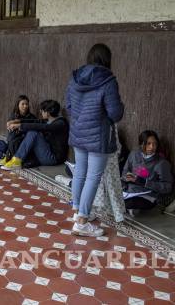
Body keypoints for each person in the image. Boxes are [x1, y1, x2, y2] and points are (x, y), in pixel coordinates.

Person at [65, 43, 124, 237]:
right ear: (107, 60)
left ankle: (78, 212)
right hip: (99, 135)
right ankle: (82, 222)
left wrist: (81, 119)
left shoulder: (75, 78)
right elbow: (115, 113)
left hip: (78, 132)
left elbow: (69, 106)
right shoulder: (108, 81)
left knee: (80, 172)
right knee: (93, 177)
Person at [2, 100, 69, 170]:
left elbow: (44, 127)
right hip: (46, 152)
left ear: (48, 112)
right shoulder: (49, 120)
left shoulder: (60, 123)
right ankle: (10, 156)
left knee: (34, 133)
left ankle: (17, 160)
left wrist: (20, 125)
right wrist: (17, 121)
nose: (41, 112)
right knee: (22, 133)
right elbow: (35, 121)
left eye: (42, 110)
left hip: (53, 158)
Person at [121, 130, 174, 216]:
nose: (152, 147)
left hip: (147, 195)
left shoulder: (161, 163)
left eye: (155, 144)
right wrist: (126, 177)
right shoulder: (134, 155)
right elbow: (124, 172)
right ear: (141, 144)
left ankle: (130, 207)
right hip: (129, 191)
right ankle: (129, 207)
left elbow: (168, 187)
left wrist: (143, 182)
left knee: (131, 202)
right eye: (148, 143)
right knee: (111, 193)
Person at [0, 95, 37, 166]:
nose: (25, 106)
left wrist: (18, 127)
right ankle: (9, 156)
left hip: (25, 140)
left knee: (14, 139)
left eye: (26, 104)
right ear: (18, 105)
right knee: (12, 137)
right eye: (22, 104)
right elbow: (10, 129)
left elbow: (30, 129)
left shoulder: (32, 117)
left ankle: (9, 156)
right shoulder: (13, 115)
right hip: (14, 140)